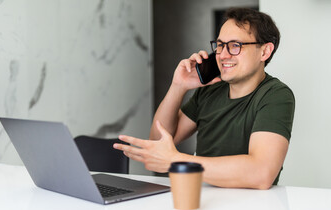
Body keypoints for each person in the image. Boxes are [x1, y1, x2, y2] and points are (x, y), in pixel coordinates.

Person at [113, 7, 295, 189]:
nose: (222, 55)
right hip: (201, 197)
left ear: (264, 52)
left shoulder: (276, 95)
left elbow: (261, 174)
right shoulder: (210, 90)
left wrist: (176, 160)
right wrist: (179, 86)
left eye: (234, 46)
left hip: (250, 206)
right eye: (220, 45)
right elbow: (158, 141)